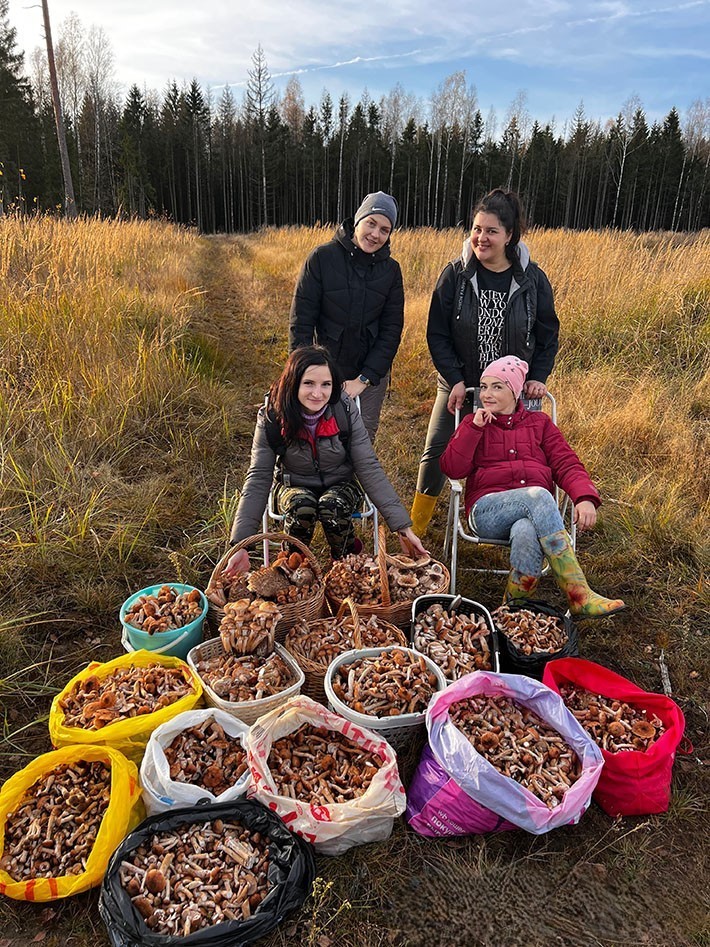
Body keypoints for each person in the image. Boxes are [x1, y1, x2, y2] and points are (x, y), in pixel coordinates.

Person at [410, 188, 560, 534]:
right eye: (477, 229)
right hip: (460, 384)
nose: (481, 238)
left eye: (492, 231)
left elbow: (547, 333)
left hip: (513, 390)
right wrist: (454, 378)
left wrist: (538, 376)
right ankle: (414, 532)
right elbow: (437, 333)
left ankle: (517, 527)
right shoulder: (456, 275)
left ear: (509, 235)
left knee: (518, 457)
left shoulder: (533, 279)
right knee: (437, 452)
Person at [439, 355, 625, 618]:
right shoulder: (474, 423)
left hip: (534, 513)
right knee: (538, 496)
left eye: (497, 387)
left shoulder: (540, 424)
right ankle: (578, 593)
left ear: (515, 392)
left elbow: (566, 463)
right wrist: (474, 430)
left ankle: (512, 609)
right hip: (488, 512)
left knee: (526, 529)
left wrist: (584, 497)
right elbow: (452, 469)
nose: (487, 394)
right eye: (484, 386)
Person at [224, 346, 427, 576]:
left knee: (332, 505)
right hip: (293, 483)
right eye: (308, 383)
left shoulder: (344, 409)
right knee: (302, 505)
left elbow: (368, 465)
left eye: (326, 384)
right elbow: (259, 477)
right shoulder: (273, 415)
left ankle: (346, 562)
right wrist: (240, 545)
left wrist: (402, 527)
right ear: (293, 382)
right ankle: (293, 564)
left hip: (341, 483)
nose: (318, 393)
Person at [288, 191, 403, 441]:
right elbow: (302, 322)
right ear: (358, 220)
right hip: (324, 370)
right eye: (371, 223)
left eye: (384, 230)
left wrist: (364, 378)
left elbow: (391, 330)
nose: (375, 234)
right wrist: (307, 373)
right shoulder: (321, 258)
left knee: (361, 441)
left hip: (369, 375)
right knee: (317, 439)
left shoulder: (392, 271)